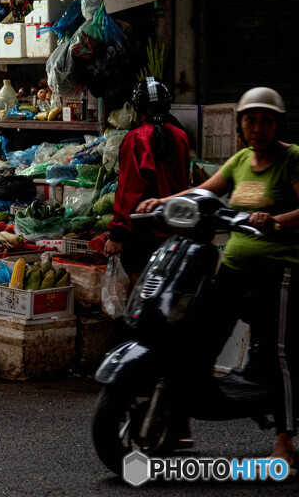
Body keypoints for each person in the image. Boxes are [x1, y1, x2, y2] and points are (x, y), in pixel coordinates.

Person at [138, 87, 299, 468]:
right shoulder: (241, 160)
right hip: (234, 268)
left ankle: (285, 441)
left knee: (279, 356)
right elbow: (204, 192)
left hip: (279, 271)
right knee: (195, 337)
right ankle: (178, 422)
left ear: (277, 125)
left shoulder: (291, 159)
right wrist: (165, 201)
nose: (257, 127)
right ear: (240, 125)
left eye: (266, 120)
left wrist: (275, 219)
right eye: (250, 120)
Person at [103, 78, 191, 282]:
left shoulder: (135, 139)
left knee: (142, 293)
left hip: (142, 235)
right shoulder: (180, 136)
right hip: (175, 230)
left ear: (137, 108)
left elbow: (129, 191)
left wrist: (117, 234)